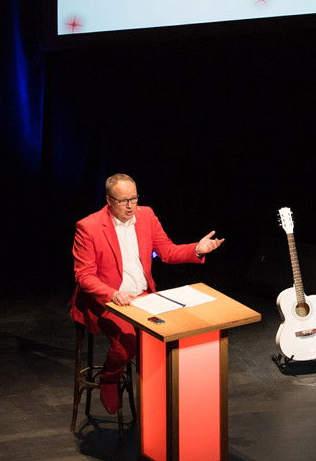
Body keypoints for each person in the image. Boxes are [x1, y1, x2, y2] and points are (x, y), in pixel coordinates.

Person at [70, 173, 225, 413]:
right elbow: (84, 275)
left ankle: (157, 391)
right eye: (123, 201)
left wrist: (196, 249)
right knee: (128, 342)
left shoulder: (147, 216)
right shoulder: (88, 227)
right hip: (108, 301)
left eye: (134, 199)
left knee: (170, 334)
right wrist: (112, 294)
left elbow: (167, 252)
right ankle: (109, 378)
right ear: (109, 201)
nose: (130, 206)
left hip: (143, 297)